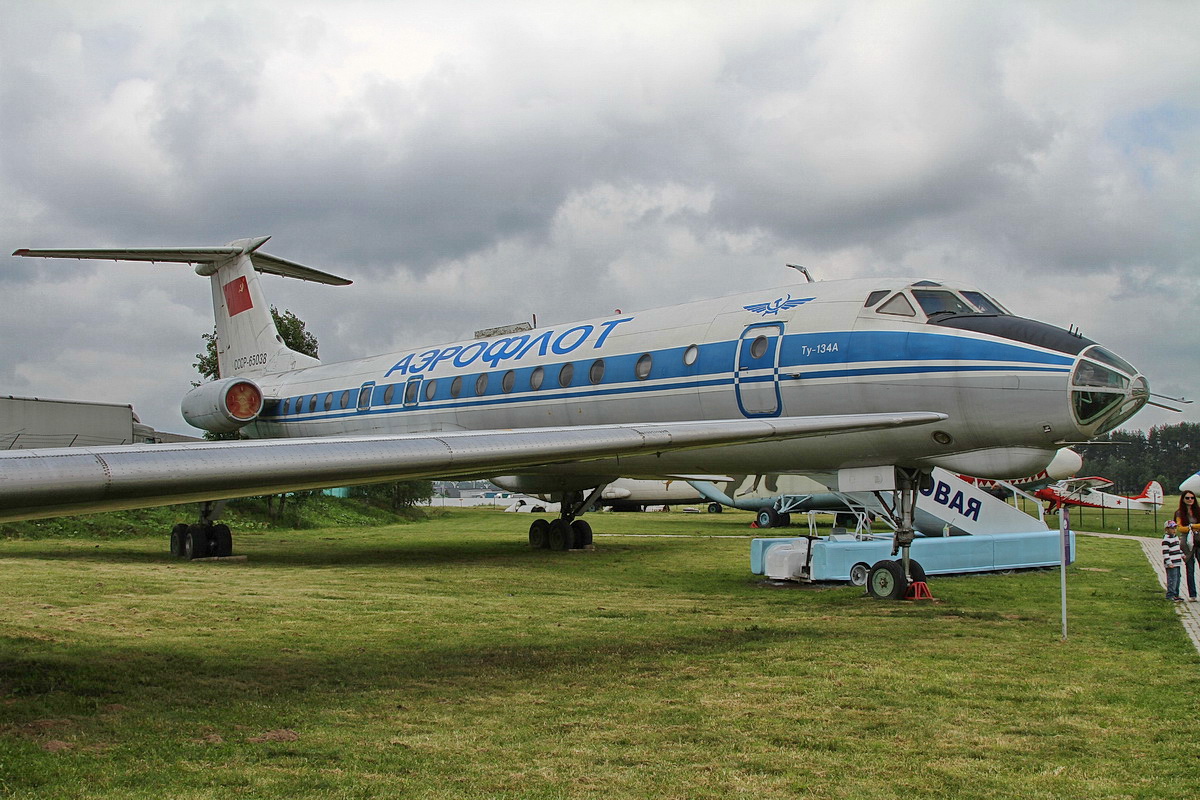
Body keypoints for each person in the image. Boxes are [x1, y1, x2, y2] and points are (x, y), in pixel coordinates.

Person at [1175, 490, 1200, 602]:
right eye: (1187, 498)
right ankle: (1192, 594)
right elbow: (1180, 528)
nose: (1190, 500)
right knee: (1190, 569)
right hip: (1187, 544)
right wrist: (1193, 527)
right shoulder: (1179, 513)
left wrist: (1191, 526)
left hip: (1199, 541)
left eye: (1192, 498)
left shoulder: (1198, 511)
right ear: (1183, 500)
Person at [1163, 521, 1184, 601]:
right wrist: (1168, 562)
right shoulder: (1166, 540)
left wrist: (1182, 554)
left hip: (1177, 562)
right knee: (1172, 578)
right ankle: (1170, 594)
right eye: (1172, 528)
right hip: (1171, 563)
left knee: (1178, 578)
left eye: (1175, 528)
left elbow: (1178, 548)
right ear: (1167, 529)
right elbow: (1165, 552)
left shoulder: (1176, 538)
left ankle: (1176, 594)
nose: (1174, 530)